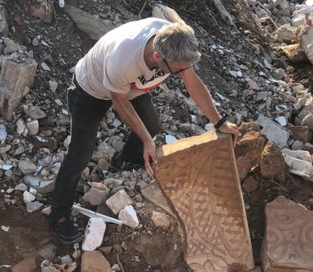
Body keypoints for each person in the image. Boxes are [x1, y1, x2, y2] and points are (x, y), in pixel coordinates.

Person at [49, 14, 241, 244]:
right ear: (157, 56)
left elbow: (192, 81)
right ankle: (59, 215)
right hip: (91, 90)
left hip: (131, 87)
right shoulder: (124, 58)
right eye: (177, 71)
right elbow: (119, 102)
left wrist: (219, 122)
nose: (181, 73)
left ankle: (128, 159)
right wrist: (148, 141)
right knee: (81, 153)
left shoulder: (175, 40)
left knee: (152, 125)